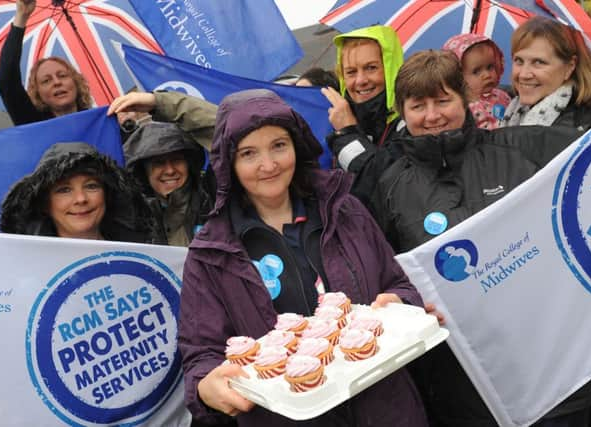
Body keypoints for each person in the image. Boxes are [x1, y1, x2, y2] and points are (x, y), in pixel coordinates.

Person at [177, 89, 428, 426]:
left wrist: (400, 303)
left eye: (279, 145)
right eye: (249, 153)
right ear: (229, 165)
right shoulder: (211, 254)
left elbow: (398, 284)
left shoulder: (346, 211)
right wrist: (206, 385)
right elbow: (201, 355)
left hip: (386, 410)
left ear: (297, 145)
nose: (268, 165)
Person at [371, 49, 591, 427]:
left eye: (443, 100)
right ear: (401, 111)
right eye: (418, 105)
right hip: (465, 378)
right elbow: (382, 271)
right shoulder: (388, 185)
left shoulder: (522, 149)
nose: (433, 115)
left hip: (554, 361)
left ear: (465, 98)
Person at [0, 142, 155, 243]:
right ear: (44, 205)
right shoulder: (26, 271)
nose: (81, 199)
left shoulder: (146, 249)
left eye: (91, 186)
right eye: (64, 190)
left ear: (107, 195)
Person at [320, 25, 404, 204]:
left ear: (391, 69)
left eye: (371, 68)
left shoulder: (412, 122)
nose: (360, 80)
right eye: (351, 72)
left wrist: (348, 134)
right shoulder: (340, 121)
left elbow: (385, 187)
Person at [0, 0, 92, 126]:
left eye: (62, 75)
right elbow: (7, 80)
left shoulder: (99, 120)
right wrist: (22, 15)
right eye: (46, 81)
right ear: (39, 95)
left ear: (76, 83)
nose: (57, 82)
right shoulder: (33, 122)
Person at [123, 121, 214, 246]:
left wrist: (161, 102)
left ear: (189, 164)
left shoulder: (213, 199)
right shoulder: (131, 218)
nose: (170, 170)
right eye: (159, 163)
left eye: (177, 160)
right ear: (143, 171)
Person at [500, 16, 591, 129]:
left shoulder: (582, 130)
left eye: (538, 62)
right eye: (519, 61)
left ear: (570, 66)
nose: (524, 74)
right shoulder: (505, 104)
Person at [443, 33, 511, 129]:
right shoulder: (465, 107)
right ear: (458, 76)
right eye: (476, 71)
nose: (487, 75)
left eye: (490, 67)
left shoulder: (503, 96)